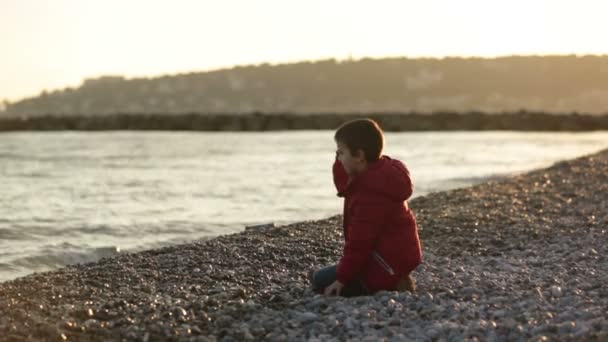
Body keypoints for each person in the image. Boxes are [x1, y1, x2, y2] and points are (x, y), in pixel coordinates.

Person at [310, 118, 422, 297]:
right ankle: (396, 279)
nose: (338, 159)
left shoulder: (371, 195)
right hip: (391, 259)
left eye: (341, 153)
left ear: (359, 156)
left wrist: (342, 279)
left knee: (318, 280)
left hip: (384, 264)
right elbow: (344, 185)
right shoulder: (379, 174)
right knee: (321, 276)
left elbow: (360, 243)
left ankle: (389, 283)